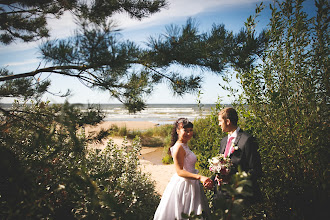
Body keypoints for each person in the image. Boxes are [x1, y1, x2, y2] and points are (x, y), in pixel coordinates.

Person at [154, 118, 212, 220]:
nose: (189, 133)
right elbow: (179, 171)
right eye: (186, 130)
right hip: (185, 186)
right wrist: (199, 177)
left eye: (190, 130)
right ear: (178, 131)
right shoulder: (178, 147)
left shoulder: (185, 145)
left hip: (192, 183)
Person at [216, 107, 262, 203]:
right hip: (223, 195)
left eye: (220, 121)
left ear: (228, 121)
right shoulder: (223, 141)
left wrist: (233, 179)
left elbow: (256, 170)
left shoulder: (247, 140)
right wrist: (211, 180)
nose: (219, 124)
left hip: (241, 196)